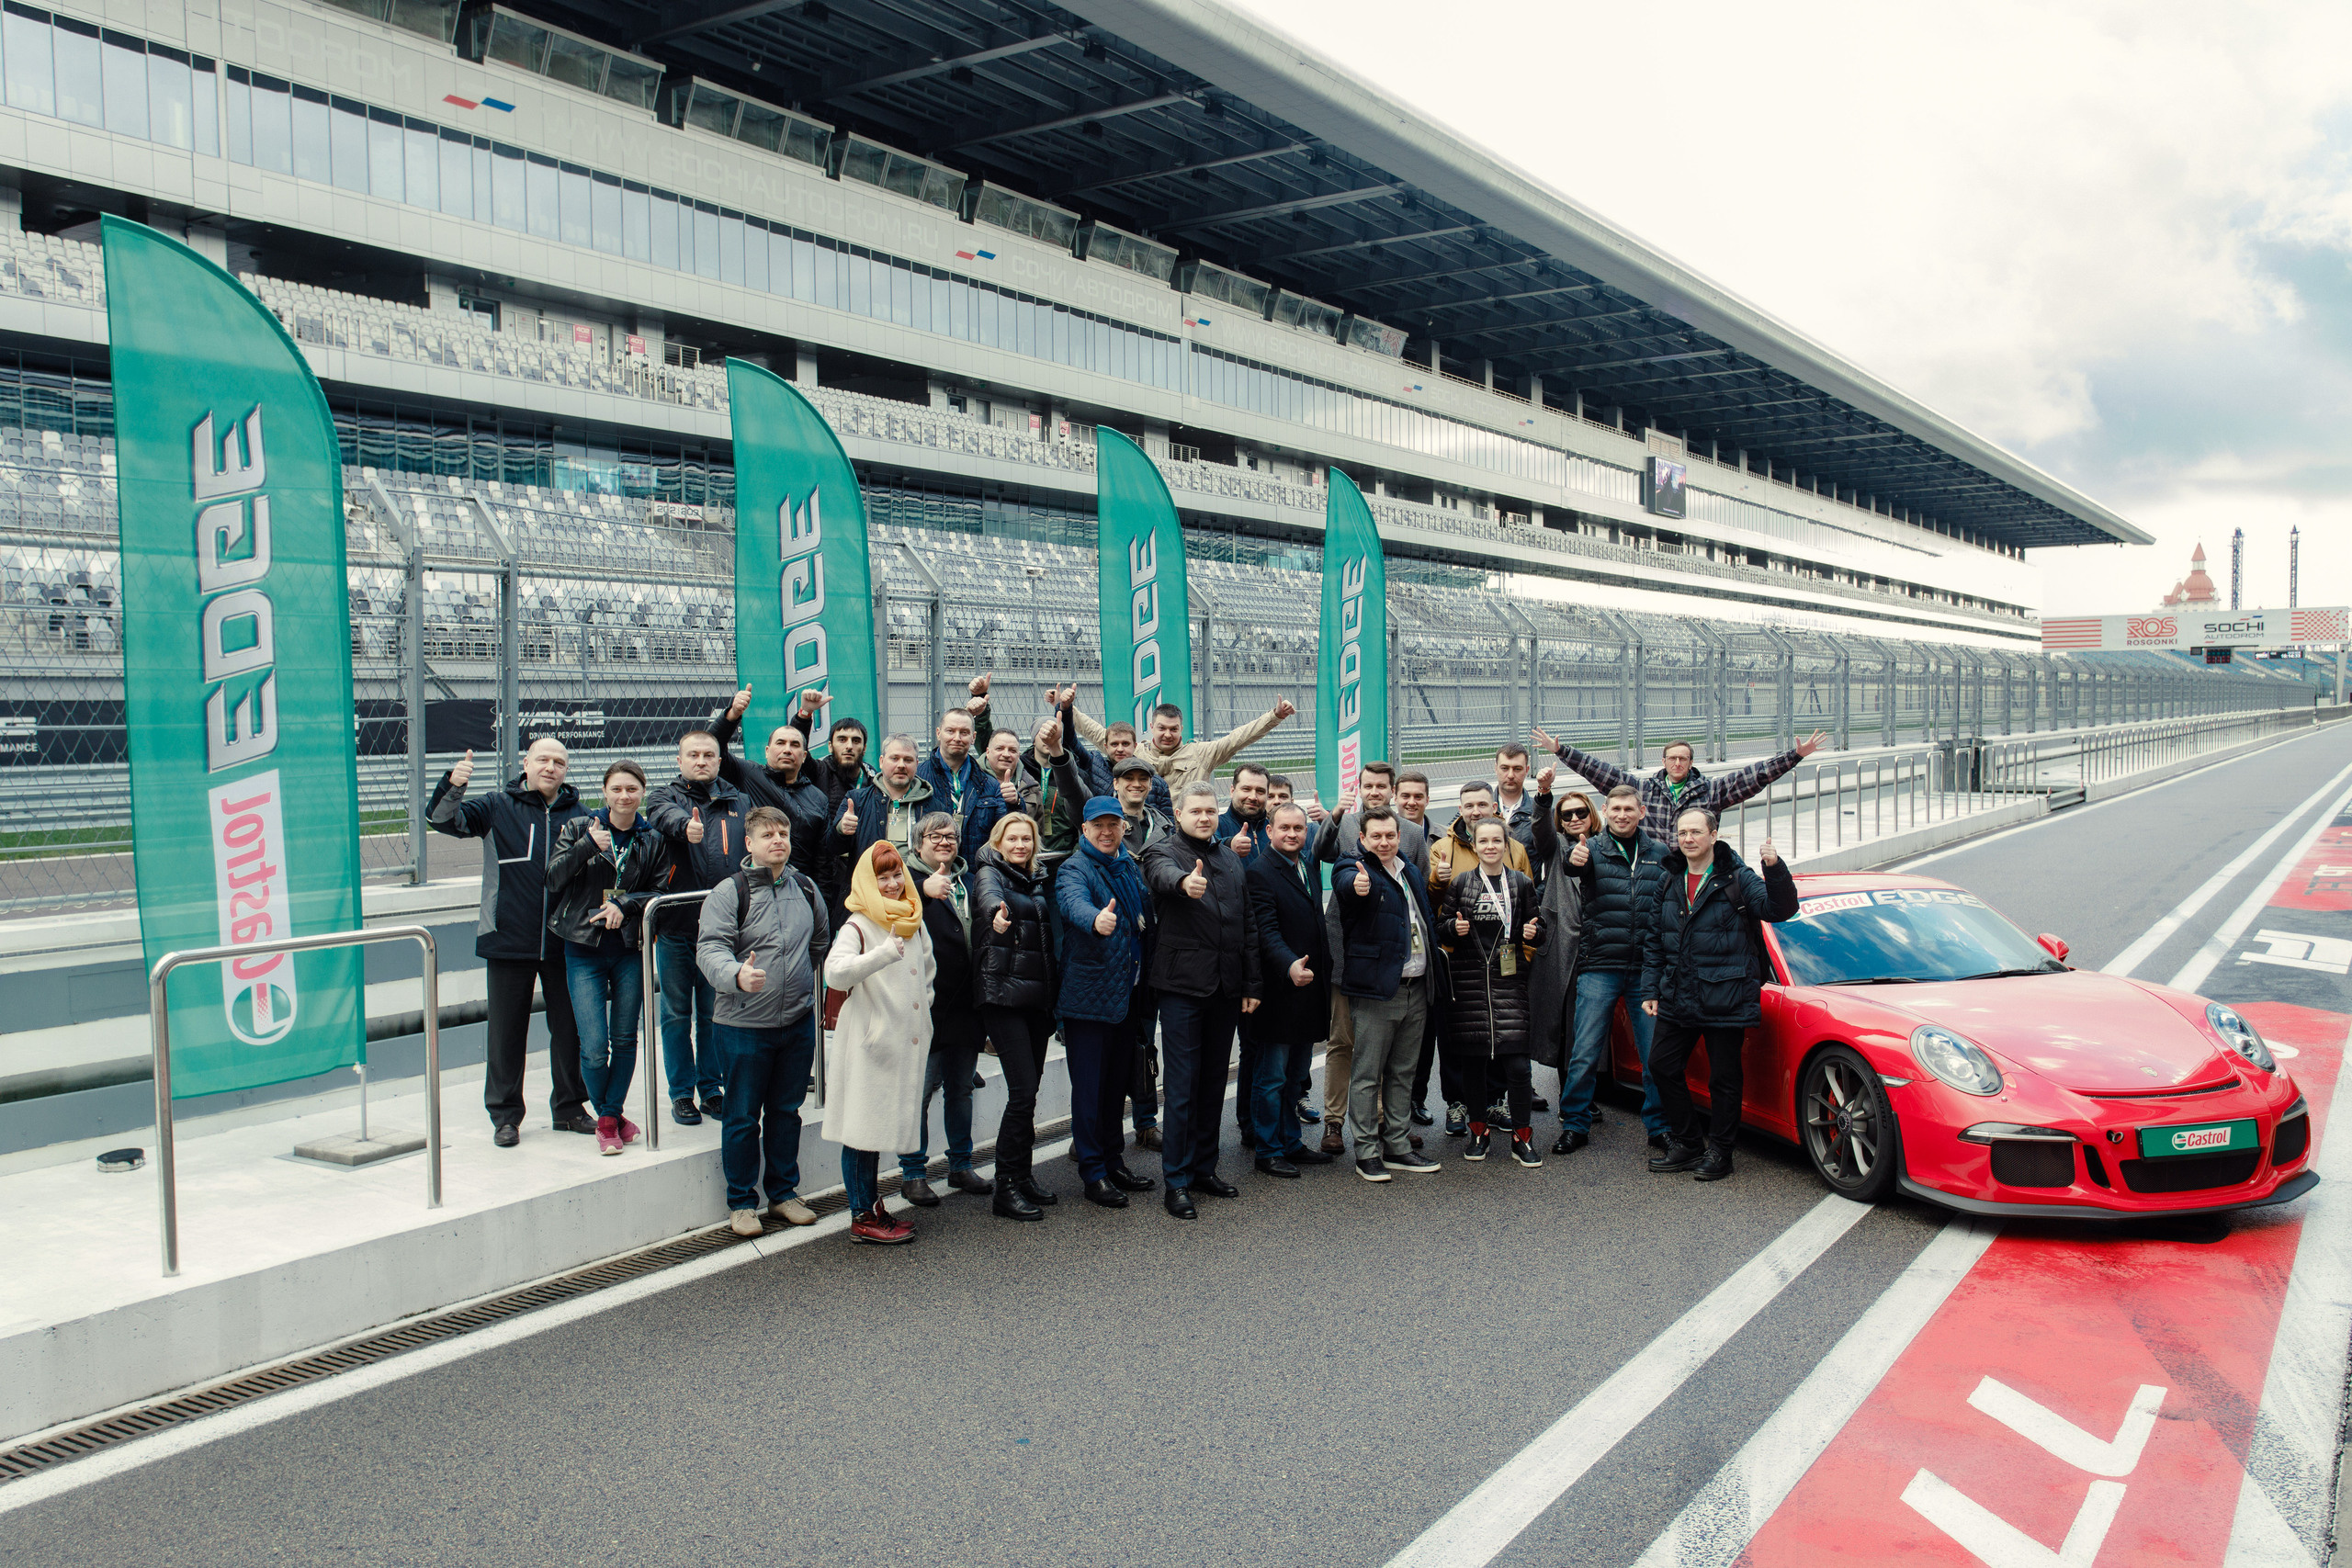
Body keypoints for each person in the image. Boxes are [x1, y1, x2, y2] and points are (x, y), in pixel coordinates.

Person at [427, 739, 591, 1145]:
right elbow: (443, 820)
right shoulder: (496, 805)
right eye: (543, 760)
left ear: (567, 769)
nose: (551, 767)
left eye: (559, 762)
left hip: (563, 940)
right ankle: (505, 1116)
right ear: (526, 764)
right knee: (505, 1033)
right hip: (507, 937)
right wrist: (453, 783)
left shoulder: (582, 815)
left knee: (569, 1030)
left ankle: (569, 1108)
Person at [1639, 811, 1799, 1181]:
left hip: (1726, 993)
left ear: (1714, 835)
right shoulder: (1669, 879)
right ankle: (1689, 1142)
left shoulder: (1738, 878)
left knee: (1723, 1079)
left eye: (1696, 832)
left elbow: (1781, 910)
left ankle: (1721, 1152)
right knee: (1662, 1065)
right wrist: (1650, 987)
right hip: (1679, 993)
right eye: (1682, 832)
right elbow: (1653, 939)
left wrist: (1774, 869)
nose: (1688, 838)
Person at [694, 807, 831, 1234]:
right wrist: (737, 974)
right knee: (741, 1116)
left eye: (784, 833)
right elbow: (709, 948)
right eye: (768, 835)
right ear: (749, 844)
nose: (778, 841)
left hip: (795, 1022)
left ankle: (784, 1194)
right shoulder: (728, 893)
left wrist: (800, 992)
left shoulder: (806, 888)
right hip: (742, 1026)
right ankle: (741, 1203)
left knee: (786, 1112)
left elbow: (820, 942)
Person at [1140, 782, 1262, 1218]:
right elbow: (1161, 878)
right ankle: (1176, 1181)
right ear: (1179, 812)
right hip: (1182, 989)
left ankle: (1204, 1169)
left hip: (1226, 989)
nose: (1205, 818)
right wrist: (1183, 883)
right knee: (1181, 1089)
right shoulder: (1161, 852)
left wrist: (1251, 985)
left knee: (1213, 1085)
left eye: (1211, 811)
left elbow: (1247, 924)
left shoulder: (1230, 858)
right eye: (1196, 811)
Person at [546, 761, 673, 1155]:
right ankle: (612, 1117)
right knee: (594, 1045)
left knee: (625, 1037)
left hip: (628, 950)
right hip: (583, 948)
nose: (624, 796)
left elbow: (657, 892)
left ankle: (606, 1118)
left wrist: (625, 903)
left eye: (632, 789)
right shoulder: (579, 828)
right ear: (605, 792)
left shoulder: (651, 838)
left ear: (641, 794)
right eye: (616, 789)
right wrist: (588, 847)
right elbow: (552, 878)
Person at [1311, 761, 1428, 1155]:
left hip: (1393, 960)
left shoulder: (1411, 832)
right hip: (1347, 951)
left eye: (1382, 786)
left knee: (1384, 1047)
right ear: (1358, 787)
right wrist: (1334, 815)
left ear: (1392, 790)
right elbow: (1322, 855)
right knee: (1343, 1040)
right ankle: (1333, 1121)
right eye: (1368, 785)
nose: (1375, 791)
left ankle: (1384, 1121)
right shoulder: (1347, 823)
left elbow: (1419, 885)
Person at [827, 841, 935, 1244]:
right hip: (870, 1044)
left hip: (902, 1041)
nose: (891, 884)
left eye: (896, 875)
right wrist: (883, 954)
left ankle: (870, 1207)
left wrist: (923, 1015)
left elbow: (926, 972)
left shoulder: (913, 916)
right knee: (861, 1132)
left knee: (873, 1131)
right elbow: (835, 974)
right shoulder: (857, 923)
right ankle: (862, 1216)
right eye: (882, 877)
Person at [1054, 796, 1159, 1209]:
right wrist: (1096, 919)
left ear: (1122, 828)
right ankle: (1093, 1171)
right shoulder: (1074, 868)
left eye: (1113, 824)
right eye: (1098, 825)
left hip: (1127, 993)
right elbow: (1072, 902)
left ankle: (1114, 1160)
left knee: (1117, 1085)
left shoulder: (1127, 864)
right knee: (1091, 1090)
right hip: (1089, 998)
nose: (1106, 831)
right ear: (1084, 829)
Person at [645, 730, 752, 1126]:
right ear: (680, 760)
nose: (702, 760)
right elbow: (664, 818)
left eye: (709, 754)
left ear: (720, 761)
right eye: (693, 755)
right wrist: (684, 828)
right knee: (675, 1014)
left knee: (713, 1013)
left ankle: (711, 1089)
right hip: (676, 926)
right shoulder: (664, 797)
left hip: (722, 931)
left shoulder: (738, 800)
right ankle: (680, 1093)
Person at [1332, 807, 1443, 1181]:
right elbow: (1349, 885)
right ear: (1362, 838)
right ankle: (1366, 1152)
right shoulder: (1353, 866)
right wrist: (1357, 886)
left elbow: (1422, 916)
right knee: (1367, 1075)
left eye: (1390, 836)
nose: (1384, 842)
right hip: (1379, 990)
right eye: (1376, 836)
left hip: (1417, 985)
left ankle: (1398, 1146)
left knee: (1403, 1073)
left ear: (1400, 836)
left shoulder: (1408, 868)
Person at [1440, 818, 1547, 1168]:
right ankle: (1478, 1131)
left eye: (1496, 841)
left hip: (1509, 980)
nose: (1490, 846)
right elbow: (1441, 927)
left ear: (1505, 844)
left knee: (1517, 1065)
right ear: (1475, 844)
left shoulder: (1521, 883)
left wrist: (1535, 932)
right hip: (1469, 983)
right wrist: (1452, 928)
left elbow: (1538, 925)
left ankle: (1522, 1136)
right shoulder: (1460, 883)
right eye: (1483, 840)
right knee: (1473, 1065)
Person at [897, 812, 990, 1207]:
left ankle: (960, 1164)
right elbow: (886, 917)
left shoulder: (970, 881)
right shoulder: (902, 883)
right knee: (919, 1092)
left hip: (967, 1003)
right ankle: (914, 1172)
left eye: (951, 836)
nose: (944, 842)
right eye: (934, 836)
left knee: (961, 1090)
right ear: (918, 844)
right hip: (925, 1006)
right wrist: (921, 889)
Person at [1573, 784, 1673, 1151]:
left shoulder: (1659, 853)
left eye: (1629, 809)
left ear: (1641, 812)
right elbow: (1571, 865)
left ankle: (1659, 1126)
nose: (1622, 815)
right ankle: (1575, 1124)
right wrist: (1575, 859)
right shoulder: (1590, 850)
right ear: (1606, 810)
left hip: (1647, 970)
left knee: (1653, 1055)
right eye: (1615, 809)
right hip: (1600, 964)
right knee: (1585, 1050)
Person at [973, 812, 1058, 1219]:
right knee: (1023, 1093)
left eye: (1027, 839)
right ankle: (1005, 1186)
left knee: (1029, 1093)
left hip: (1035, 1001)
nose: (1021, 845)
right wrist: (996, 915)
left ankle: (1022, 1176)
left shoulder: (1036, 878)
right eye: (1013, 839)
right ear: (999, 842)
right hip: (1003, 997)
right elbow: (989, 899)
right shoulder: (990, 873)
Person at [1534, 725, 1826, 843]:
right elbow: (1602, 773)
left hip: (1693, 869)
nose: (1677, 764)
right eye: (1672, 758)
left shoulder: (1711, 792)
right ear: (1663, 762)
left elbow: (1753, 776)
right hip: (1652, 871)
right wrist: (1562, 752)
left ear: (1690, 763)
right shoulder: (1642, 790)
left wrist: (1795, 756)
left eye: (1683, 759)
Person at [1243, 802, 1334, 1177]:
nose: (1293, 834)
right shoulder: (1260, 873)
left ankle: (1291, 1142)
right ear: (1269, 831)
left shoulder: (1308, 865)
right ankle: (1268, 1149)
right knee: (1272, 1078)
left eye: (1299, 828)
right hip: (1279, 991)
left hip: (1309, 989)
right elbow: (1265, 931)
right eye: (1285, 828)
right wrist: (1289, 964)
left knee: (1296, 1075)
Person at [1527, 779, 1597, 1155]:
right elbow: (1540, 829)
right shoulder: (1554, 850)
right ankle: (1574, 1102)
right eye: (1565, 814)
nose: (1573, 818)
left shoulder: (1604, 848)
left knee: (1586, 1030)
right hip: (1559, 951)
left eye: (1580, 812)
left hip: (1598, 950)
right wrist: (1543, 797)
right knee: (1561, 1026)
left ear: (1591, 815)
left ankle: (1584, 1097)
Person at [1108, 752, 1170, 1150]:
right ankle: (1104, 1127)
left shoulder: (1165, 825)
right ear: (1115, 783)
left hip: (1155, 948)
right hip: (1115, 949)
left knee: (1146, 1039)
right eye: (1128, 778)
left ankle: (1146, 1122)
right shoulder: (1105, 825)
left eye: (1142, 779)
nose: (1136, 784)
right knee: (1113, 1045)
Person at [710, 684, 831, 876]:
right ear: (767, 752)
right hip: (753, 886)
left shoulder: (818, 799)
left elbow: (823, 861)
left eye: (794, 745)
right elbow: (712, 747)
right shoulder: (749, 775)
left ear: (804, 756)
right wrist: (732, 714)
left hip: (798, 890)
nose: (787, 750)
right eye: (780, 743)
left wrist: (820, 901)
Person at [1071, 694, 1299, 792]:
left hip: (1187, 837)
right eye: (1162, 728)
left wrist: (1275, 716)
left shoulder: (1201, 753)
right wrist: (1066, 708)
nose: (1167, 734)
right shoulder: (1134, 752)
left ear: (1182, 729)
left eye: (1173, 729)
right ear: (1152, 728)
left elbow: (1238, 738)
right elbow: (1098, 733)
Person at [1219, 761, 1274, 1145]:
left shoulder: (1274, 830)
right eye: (1247, 789)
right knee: (1234, 1047)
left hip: (1272, 953)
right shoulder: (1218, 828)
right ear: (1233, 789)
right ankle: (1242, 1123)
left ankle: (1260, 1123)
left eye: (1260, 791)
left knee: (1265, 1045)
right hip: (1230, 957)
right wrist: (1225, 849)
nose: (1253, 797)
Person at [830, 733, 933, 924]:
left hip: (916, 898)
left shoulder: (933, 804)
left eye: (908, 760)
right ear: (881, 761)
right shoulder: (856, 799)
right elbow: (832, 847)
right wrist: (841, 831)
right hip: (867, 901)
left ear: (917, 764)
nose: (901, 765)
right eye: (894, 758)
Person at [918, 705, 1011, 868]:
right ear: (939, 733)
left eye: (964, 732)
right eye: (950, 731)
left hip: (975, 875)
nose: (957, 738)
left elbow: (1005, 835)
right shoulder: (918, 778)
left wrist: (1014, 803)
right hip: (927, 873)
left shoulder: (990, 785)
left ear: (973, 737)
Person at [1492, 742, 1538, 852]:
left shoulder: (1539, 812)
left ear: (1527, 770)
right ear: (1496, 769)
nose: (1511, 775)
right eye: (1505, 768)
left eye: (1517, 769)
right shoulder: (1479, 808)